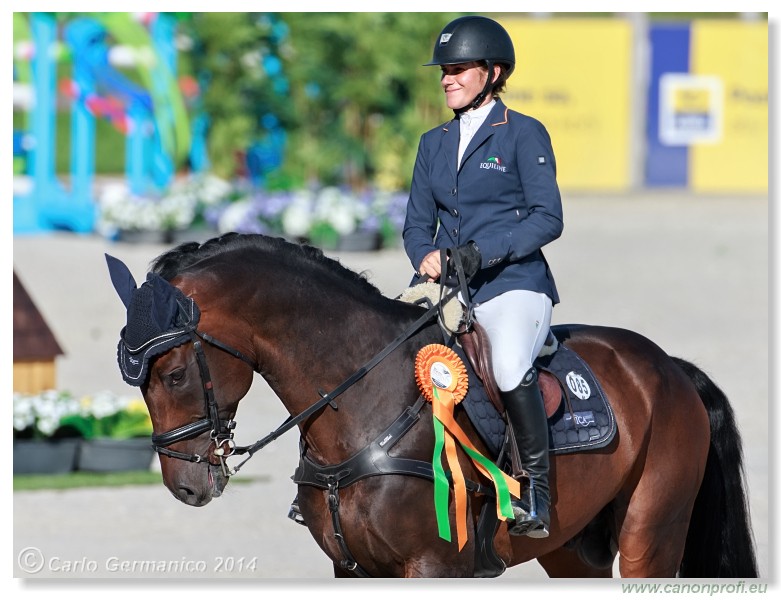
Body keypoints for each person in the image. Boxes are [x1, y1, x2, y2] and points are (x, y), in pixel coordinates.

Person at [403, 15, 563, 538]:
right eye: (444, 71)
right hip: (448, 288)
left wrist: (475, 254)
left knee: (511, 363)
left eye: (458, 69)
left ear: (493, 73)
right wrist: (426, 256)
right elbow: (415, 226)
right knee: (383, 349)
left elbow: (547, 217)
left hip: (514, 284)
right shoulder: (433, 142)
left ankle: (537, 491)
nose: (447, 78)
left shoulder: (521, 132)